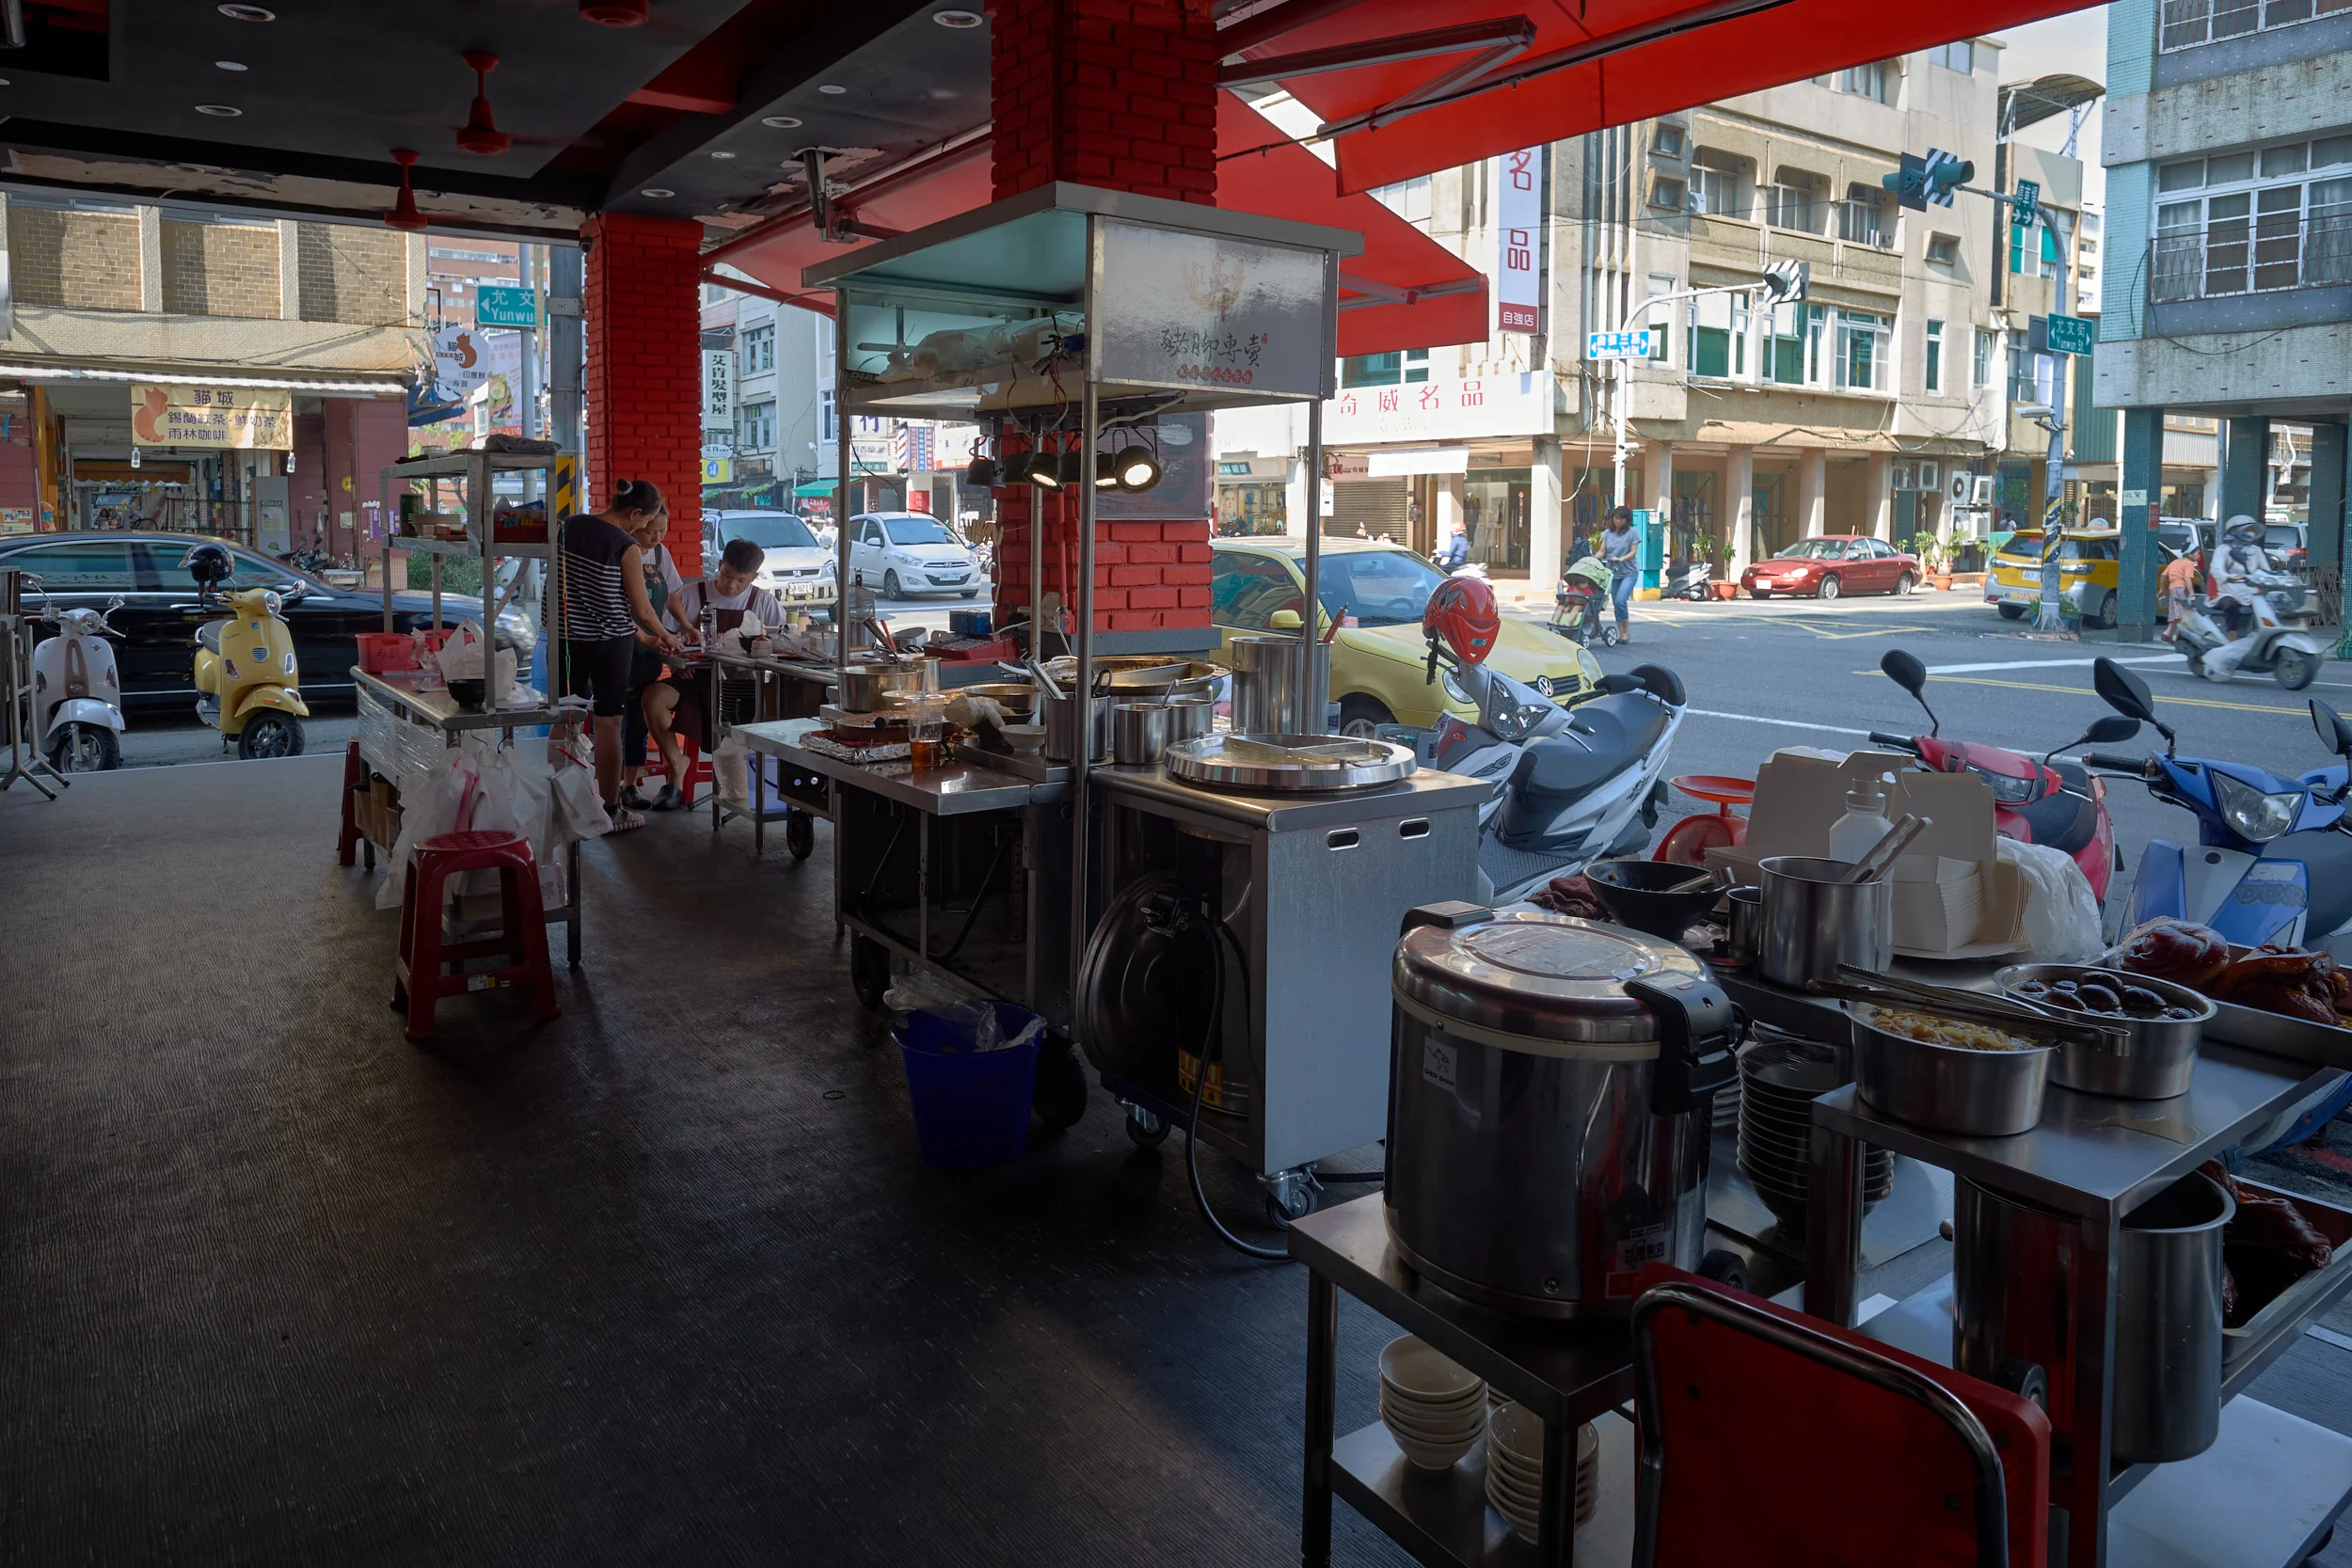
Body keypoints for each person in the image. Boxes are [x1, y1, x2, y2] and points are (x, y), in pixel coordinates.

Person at [547, 478, 683, 832]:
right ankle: (609, 809)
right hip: (609, 645)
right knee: (609, 723)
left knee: (565, 718)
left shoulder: (570, 526)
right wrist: (666, 635)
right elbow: (642, 609)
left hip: (564, 640)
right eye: (645, 521)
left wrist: (645, 635)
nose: (645, 529)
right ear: (635, 513)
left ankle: (560, 801)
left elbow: (587, 595)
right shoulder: (626, 546)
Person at [642, 538, 786, 810]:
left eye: (741, 581)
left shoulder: (764, 602)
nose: (732, 586)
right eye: (726, 576)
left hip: (743, 690)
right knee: (653, 697)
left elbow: (780, 647)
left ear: (754, 577)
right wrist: (676, 664)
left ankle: (759, 785)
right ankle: (676, 771)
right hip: (694, 682)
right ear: (719, 565)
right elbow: (666, 638)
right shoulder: (688, 595)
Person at [617, 510, 687, 811]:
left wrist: (684, 625)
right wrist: (649, 634)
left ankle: (629, 785)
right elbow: (622, 608)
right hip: (620, 645)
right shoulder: (620, 552)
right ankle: (614, 785)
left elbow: (670, 596)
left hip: (649, 648)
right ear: (636, 525)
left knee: (637, 717)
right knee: (613, 718)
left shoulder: (659, 554)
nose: (657, 538)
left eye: (663, 530)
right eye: (651, 532)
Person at [2209, 515, 2269, 641]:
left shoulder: (2256, 550)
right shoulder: (2223, 550)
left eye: (2252, 530)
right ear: (2234, 531)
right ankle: (2232, 639)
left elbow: (2265, 570)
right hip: (2227, 591)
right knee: (2230, 606)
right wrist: (2230, 577)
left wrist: (2270, 578)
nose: (2251, 533)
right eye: (2247, 530)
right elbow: (2216, 569)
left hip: (2250, 591)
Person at [1600, 505, 1641, 644]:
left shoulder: (1632, 533)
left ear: (1626, 520)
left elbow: (1633, 552)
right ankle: (1620, 632)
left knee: (1620, 600)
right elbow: (1602, 551)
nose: (1618, 521)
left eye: (1621, 519)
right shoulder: (1607, 533)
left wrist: (1621, 559)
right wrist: (1593, 559)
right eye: (1616, 518)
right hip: (1613, 573)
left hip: (1629, 571)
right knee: (1616, 603)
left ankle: (1626, 632)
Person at [2159, 548, 2201, 642]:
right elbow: (2187, 579)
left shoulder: (2174, 562)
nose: (2199, 556)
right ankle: (2176, 636)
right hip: (2181, 589)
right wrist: (2192, 594)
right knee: (2184, 614)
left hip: (2172, 589)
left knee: (2176, 613)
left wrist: (2162, 589)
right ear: (2190, 554)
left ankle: (2168, 634)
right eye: (2198, 554)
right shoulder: (2189, 564)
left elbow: (2163, 576)